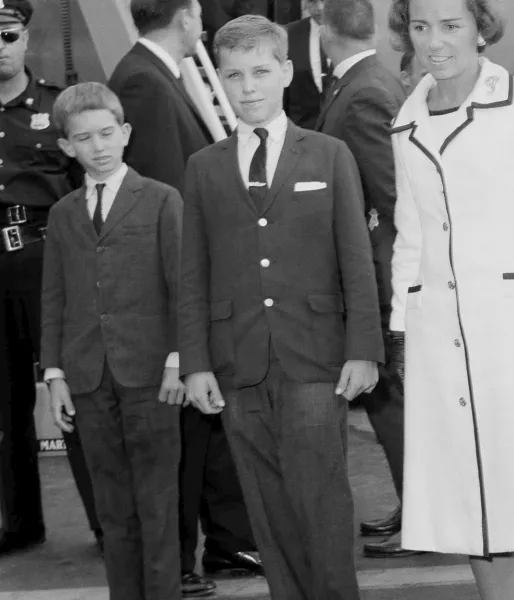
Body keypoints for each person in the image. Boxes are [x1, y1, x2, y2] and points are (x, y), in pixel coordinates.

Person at [386, 0, 514, 598]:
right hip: (440, 336)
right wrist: (403, 326)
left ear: (481, 27)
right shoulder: (406, 120)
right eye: (421, 27)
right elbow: (412, 232)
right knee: (466, 494)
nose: (435, 43)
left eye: (451, 26)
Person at [179, 15, 382, 600]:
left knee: (322, 500)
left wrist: (363, 349)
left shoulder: (329, 154)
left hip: (315, 357)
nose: (248, 87)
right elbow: (193, 271)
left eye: (261, 72)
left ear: (286, 72)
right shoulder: (204, 167)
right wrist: (195, 361)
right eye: (235, 75)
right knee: (266, 509)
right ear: (220, 78)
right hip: (238, 361)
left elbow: (355, 259)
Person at [109, 1, 260, 592]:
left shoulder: (154, 76)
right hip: (178, 292)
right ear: (188, 13)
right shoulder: (144, 82)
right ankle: (181, 561)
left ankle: (223, 545)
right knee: (184, 436)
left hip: (193, 289)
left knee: (205, 427)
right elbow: (171, 204)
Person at [43, 82, 185, 600]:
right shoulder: (61, 216)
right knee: (112, 506)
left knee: (158, 500)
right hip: (87, 376)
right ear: (66, 146)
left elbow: (182, 289)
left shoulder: (163, 200)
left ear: (125, 133)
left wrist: (178, 360)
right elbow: (54, 298)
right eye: (84, 138)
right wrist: (54, 373)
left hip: (152, 375)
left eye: (106, 133)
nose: (98, 146)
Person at [0, 0, 101, 556]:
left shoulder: (56, 107)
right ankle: (19, 523)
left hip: (47, 263)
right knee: (6, 403)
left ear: (25, 38)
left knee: (76, 391)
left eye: (8, 34)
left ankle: (106, 522)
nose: (1, 45)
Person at [314, 0, 411, 559]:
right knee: (388, 398)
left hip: (379, 272)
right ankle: (412, 505)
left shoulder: (365, 89)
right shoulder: (367, 80)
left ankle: (418, 516)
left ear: (324, 32)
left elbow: (392, 194)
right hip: (379, 267)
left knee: (389, 397)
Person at [285, 0, 331, 129]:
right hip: (300, 132)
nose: (319, 8)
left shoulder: (354, 33)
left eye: (324, 0)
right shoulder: (288, 34)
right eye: (312, 1)